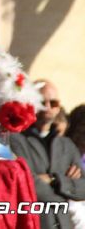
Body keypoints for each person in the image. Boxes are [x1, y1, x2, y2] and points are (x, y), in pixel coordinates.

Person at [10, 80, 85, 229]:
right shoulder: (16, 140)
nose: (48, 107)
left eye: (54, 103)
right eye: (42, 102)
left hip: (64, 223)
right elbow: (25, 184)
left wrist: (54, 180)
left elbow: (83, 188)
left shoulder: (66, 145)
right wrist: (66, 187)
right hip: (34, 222)